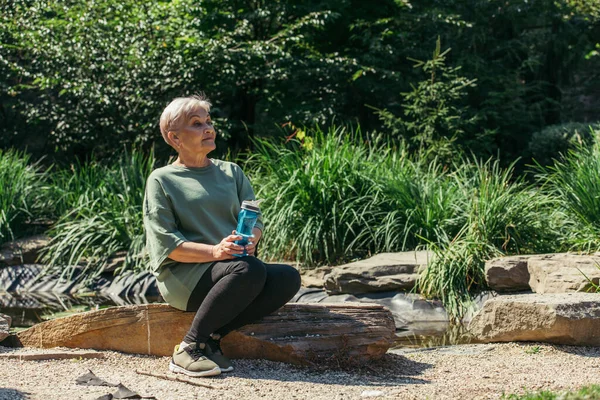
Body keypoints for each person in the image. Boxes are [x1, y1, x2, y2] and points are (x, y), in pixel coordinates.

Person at [143, 95, 302, 378]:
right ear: (175, 137)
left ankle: (212, 339)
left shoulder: (232, 172)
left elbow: (256, 219)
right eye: (197, 124)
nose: (208, 128)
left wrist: (252, 238)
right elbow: (167, 243)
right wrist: (216, 252)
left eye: (208, 121)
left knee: (288, 277)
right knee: (249, 269)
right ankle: (188, 348)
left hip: (233, 270)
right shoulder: (162, 179)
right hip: (185, 276)